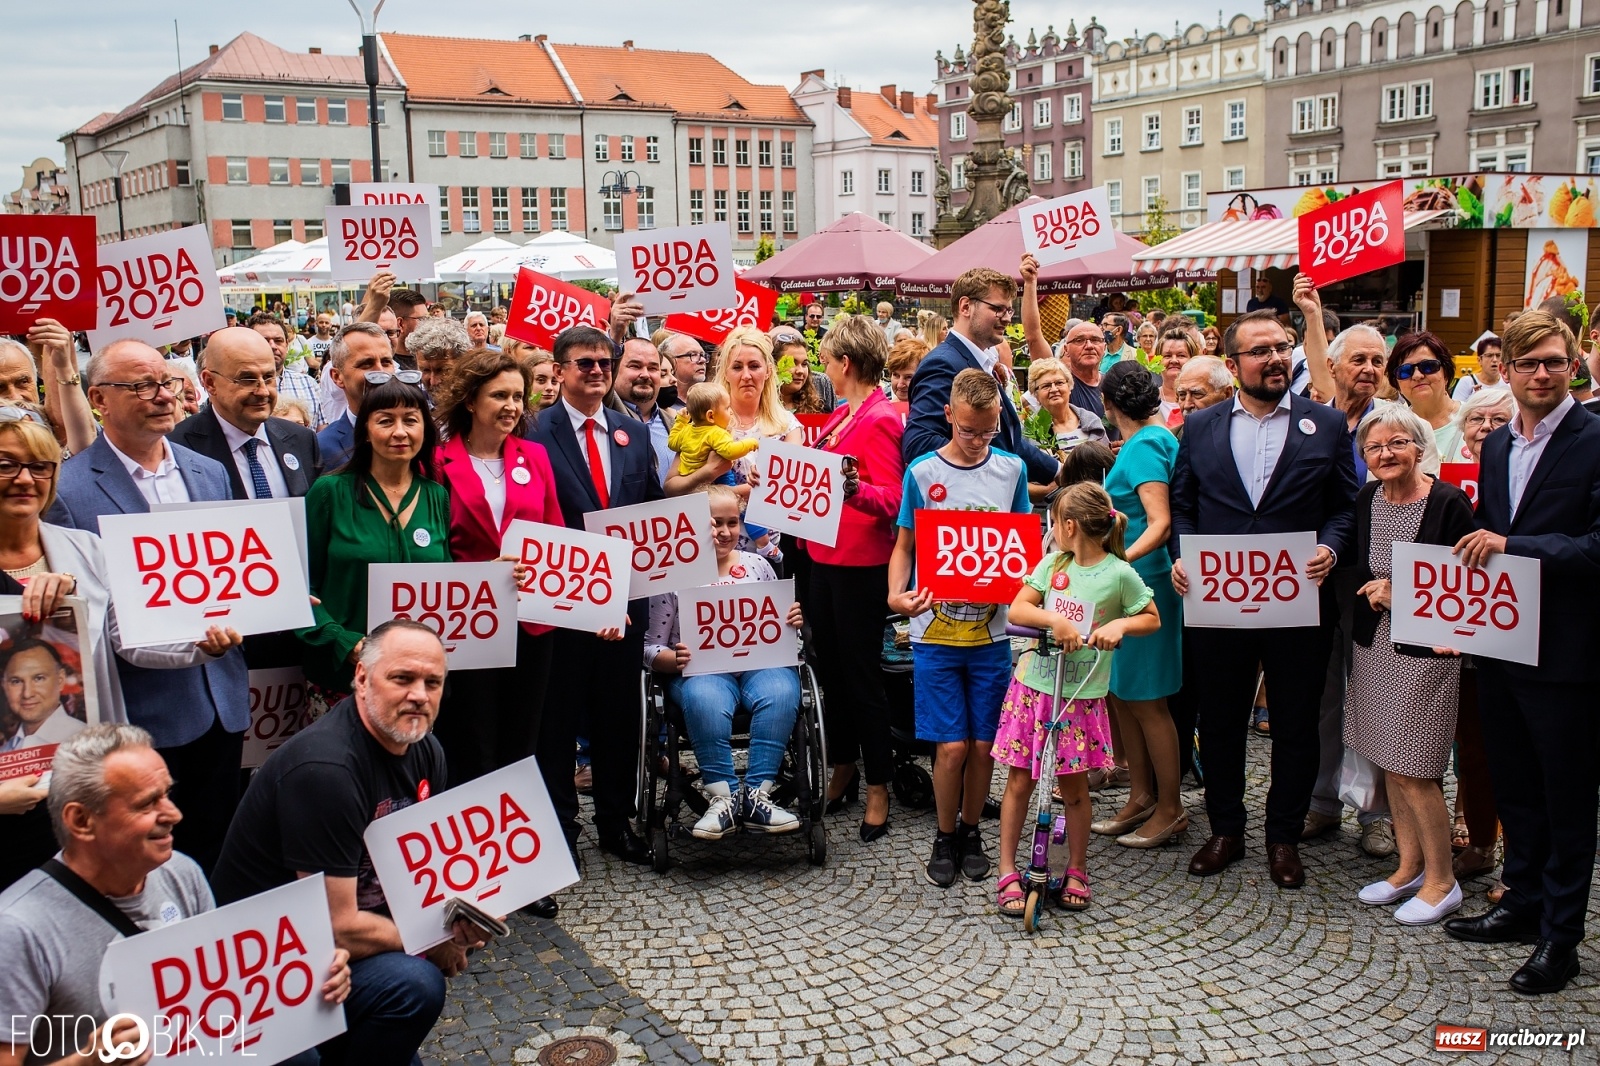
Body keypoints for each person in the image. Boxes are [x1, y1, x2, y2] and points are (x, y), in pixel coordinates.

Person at [0, 725, 350, 1065]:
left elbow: (223, 1001)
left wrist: (308, 973)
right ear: (81, 821)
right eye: (147, 804)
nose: (174, 814)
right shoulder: (17, 930)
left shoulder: (181, 872)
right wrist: (88, 1063)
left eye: (167, 794)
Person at [213, 622, 473, 1065]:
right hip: (262, 972)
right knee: (416, 984)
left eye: (433, 683)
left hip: (334, 947)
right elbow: (339, 926)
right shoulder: (326, 769)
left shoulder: (427, 749)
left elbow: (422, 873)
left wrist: (466, 921)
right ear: (361, 678)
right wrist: (434, 936)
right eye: (402, 678)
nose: (420, 695)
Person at [1170, 309, 1358, 889]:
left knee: (1296, 723)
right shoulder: (1199, 428)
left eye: (1281, 347)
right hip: (1218, 601)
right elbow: (1184, 504)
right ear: (1234, 365)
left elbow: (1346, 506)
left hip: (1297, 602)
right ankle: (1226, 828)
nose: (1276, 358)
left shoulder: (1324, 425)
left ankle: (1283, 837)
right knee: (1221, 718)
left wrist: (1330, 547)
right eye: (1260, 351)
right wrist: (1182, 556)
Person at [49, 339, 250, 874]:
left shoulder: (207, 472)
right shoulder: (68, 490)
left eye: (165, 382)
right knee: (152, 861)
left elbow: (234, 573)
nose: (162, 396)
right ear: (99, 398)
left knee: (217, 849)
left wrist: (271, 600)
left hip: (223, 701)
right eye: (140, 386)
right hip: (144, 713)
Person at [1444, 310, 1600, 995]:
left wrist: (1516, 548)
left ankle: (1561, 939)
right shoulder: (1499, 446)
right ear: (1503, 368)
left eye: (1555, 362)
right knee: (1517, 790)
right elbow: (1487, 542)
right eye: (1529, 363)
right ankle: (1522, 904)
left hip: (1569, 654)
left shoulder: (1597, 438)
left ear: (1573, 364)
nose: (1543, 374)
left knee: (1567, 800)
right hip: (1501, 645)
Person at [889, 369, 1031, 888]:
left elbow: (1022, 545)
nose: (977, 443)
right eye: (969, 431)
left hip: (993, 631)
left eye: (989, 433)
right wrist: (895, 593)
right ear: (949, 416)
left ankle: (972, 829)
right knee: (949, 747)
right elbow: (904, 545)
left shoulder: (1011, 470)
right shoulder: (923, 472)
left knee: (982, 744)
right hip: (933, 630)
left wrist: (1026, 595)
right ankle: (944, 833)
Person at [530, 326, 666, 865]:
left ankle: (615, 822)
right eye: (584, 363)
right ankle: (561, 831)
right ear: (559, 370)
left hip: (624, 608)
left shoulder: (628, 431)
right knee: (557, 724)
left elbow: (650, 509)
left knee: (617, 721)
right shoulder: (535, 431)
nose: (597, 371)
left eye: (604, 363)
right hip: (558, 605)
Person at [994, 483, 1159, 915]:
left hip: (1080, 697)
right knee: (1018, 782)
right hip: (1034, 691)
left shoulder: (1118, 573)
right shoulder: (1053, 564)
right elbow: (1017, 610)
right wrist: (1053, 619)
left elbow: (1150, 616)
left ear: (1067, 526)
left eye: (1053, 523)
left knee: (1075, 790)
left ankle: (1078, 868)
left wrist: (1120, 627)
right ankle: (1007, 867)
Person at [1339, 406, 1475, 926]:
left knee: (1416, 768)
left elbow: (1466, 583)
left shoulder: (1447, 502)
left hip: (1426, 653)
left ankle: (1443, 882)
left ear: (1420, 447)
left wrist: (1402, 594)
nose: (1385, 455)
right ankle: (1409, 866)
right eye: (1373, 448)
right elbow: (1362, 566)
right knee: (1387, 761)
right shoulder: (1368, 497)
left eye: (1397, 443)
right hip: (1375, 649)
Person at [644, 485, 805, 837]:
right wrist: (674, 659)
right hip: (699, 671)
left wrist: (790, 620)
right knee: (705, 698)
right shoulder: (670, 575)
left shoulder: (758, 566)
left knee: (782, 691)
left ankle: (759, 797)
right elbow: (651, 649)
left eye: (733, 522)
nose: (725, 531)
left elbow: (781, 632)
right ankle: (725, 798)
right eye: (714, 522)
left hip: (758, 666)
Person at [431, 348, 559, 783]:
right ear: (470, 400)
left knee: (522, 741)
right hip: (469, 622)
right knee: (471, 738)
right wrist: (485, 570)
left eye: (518, 397)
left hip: (530, 622)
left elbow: (555, 533)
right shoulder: (437, 462)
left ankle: (517, 837)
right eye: (499, 395)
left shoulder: (535, 456)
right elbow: (435, 548)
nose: (511, 407)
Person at [807, 316, 905, 842]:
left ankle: (879, 784)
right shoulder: (843, 415)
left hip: (860, 564)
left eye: (827, 361)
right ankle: (843, 766)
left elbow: (893, 497)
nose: (825, 369)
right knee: (832, 674)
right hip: (823, 559)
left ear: (845, 364)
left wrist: (852, 491)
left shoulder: (882, 417)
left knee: (863, 678)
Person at [298, 377, 450, 704]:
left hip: (415, 678)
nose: (399, 432)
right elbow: (297, 587)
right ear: (365, 430)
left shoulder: (436, 495)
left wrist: (492, 579)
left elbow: (444, 583)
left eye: (410, 420)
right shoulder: (329, 493)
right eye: (385, 421)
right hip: (344, 678)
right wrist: (344, 643)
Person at [1093, 362, 1186, 848]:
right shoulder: (1148, 440)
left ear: (1108, 405)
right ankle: (1142, 797)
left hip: (1143, 587)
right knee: (1126, 693)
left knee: (1148, 702)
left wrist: (1114, 565)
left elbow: (1159, 523)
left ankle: (1169, 808)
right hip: (1130, 586)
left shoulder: (1148, 443)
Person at [904, 267, 1058, 488]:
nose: (1006, 319)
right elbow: (919, 443)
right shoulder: (944, 364)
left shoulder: (979, 360)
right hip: (966, 506)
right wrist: (996, 466)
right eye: (998, 309)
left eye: (1009, 311)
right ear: (965, 307)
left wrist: (1058, 470)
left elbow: (1009, 442)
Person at [169, 326, 321, 500]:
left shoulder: (302, 439)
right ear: (210, 382)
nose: (263, 391)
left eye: (269, 377)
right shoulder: (176, 448)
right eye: (247, 379)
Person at [316, 323, 402, 469]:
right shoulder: (322, 448)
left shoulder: (419, 436)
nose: (380, 372)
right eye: (367, 364)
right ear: (337, 377)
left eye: (386, 362)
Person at [1388, 332, 1462, 468]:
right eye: (1405, 371)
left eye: (1428, 366)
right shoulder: (1391, 429)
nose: (1417, 375)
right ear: (1396, 383)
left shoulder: (1476, 420)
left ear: (1446, 373)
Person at [609, 337, 673, 482]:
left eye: (653, 368)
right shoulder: (604, 416)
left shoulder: (675, 424)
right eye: (635, 366)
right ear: (614, 370)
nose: (645, 374)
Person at [1019, 356, 1107, 458]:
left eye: (1059, 383)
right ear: (1035, 395)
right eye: (1046, 386)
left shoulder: (1091, 421)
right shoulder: (1030, 430)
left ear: (1069, 387)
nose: (1054, 389)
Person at [249, 312, 324, 429]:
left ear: (287, 345)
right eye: (264, 340)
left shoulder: (309, 384)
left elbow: (322, 431)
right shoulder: (238, 387)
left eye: (278, 340)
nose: (273, 346)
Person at [668, 383, 760, 476]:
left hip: (686, 477)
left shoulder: (686, 431)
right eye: (727, 408)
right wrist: (752, 443)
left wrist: (681, 421)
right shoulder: (716, 433)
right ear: (711, 416)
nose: (731, 412)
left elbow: (672, 443)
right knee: (730, 484)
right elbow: (730, 451)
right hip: (713, 481)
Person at [408, 316, 472, 400]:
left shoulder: (483, 400)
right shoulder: (412, 401)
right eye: (425, 370)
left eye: (443, 370)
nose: (433, 382)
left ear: (466, 361)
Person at [1452, 387, 1514, 464]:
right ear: (1463, 431)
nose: (1486, 426)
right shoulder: (1451, 474)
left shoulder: (1526, 474)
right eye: (1477, 418)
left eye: (1498, 419)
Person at [777, 336, 836, 414]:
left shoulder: (820, 408)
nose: (800, 371)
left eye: (804, 364)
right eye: (792, 363)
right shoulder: (759, 408)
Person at [1172, 356, 1234, 430]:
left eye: (1197, 394)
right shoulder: (1171, 439)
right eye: (1182, 395)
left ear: (1227, 394)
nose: (1187, 405)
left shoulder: (1243, 434)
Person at [1157, 329, 1200, 428]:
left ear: (1193, 359)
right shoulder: (1149, 400)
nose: (1174, 360)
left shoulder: (1202, 399)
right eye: (1167, 356)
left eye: (1181, 355)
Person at [1453, 335, 1505, 402]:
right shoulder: (1467, 382)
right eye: (1489, 355)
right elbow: (1456, 410)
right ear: (1479, 360)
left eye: (1498, 355)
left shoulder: (1507, 382)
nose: (1495, 360)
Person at [885, 335, 928, 403]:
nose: (900, 385)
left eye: (908, 377)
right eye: (896, 375)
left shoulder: (938, 408)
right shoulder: (880, 403)